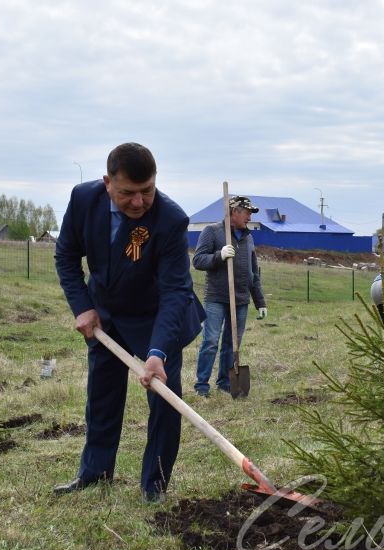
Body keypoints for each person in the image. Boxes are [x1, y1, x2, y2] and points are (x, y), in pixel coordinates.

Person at [53, 142, 205, 503]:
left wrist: (157, 353)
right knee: (102, 395)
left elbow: (175, 291)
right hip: (105, 314)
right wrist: (83, 306)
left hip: (157, 318)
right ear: (108, 182)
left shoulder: (170, 219)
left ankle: (154, 485)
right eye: (127, 193)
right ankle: (95, 472)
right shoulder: (83, 199)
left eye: (146, 191)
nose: (138, 202)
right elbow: (66, 257)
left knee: (164, 403)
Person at [191, 195, 267, 397]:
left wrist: (260, 302)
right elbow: (198, 260)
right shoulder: (213, 232)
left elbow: (254, 273)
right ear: (234, 212)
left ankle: (224, 382)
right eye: (247, 212)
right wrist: (220, 255)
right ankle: (202, 386)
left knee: (232, 344)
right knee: (211, 342)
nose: (250, 217)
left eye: (251, 213)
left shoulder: (249, 239)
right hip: (216, 297)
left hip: (241, 300)